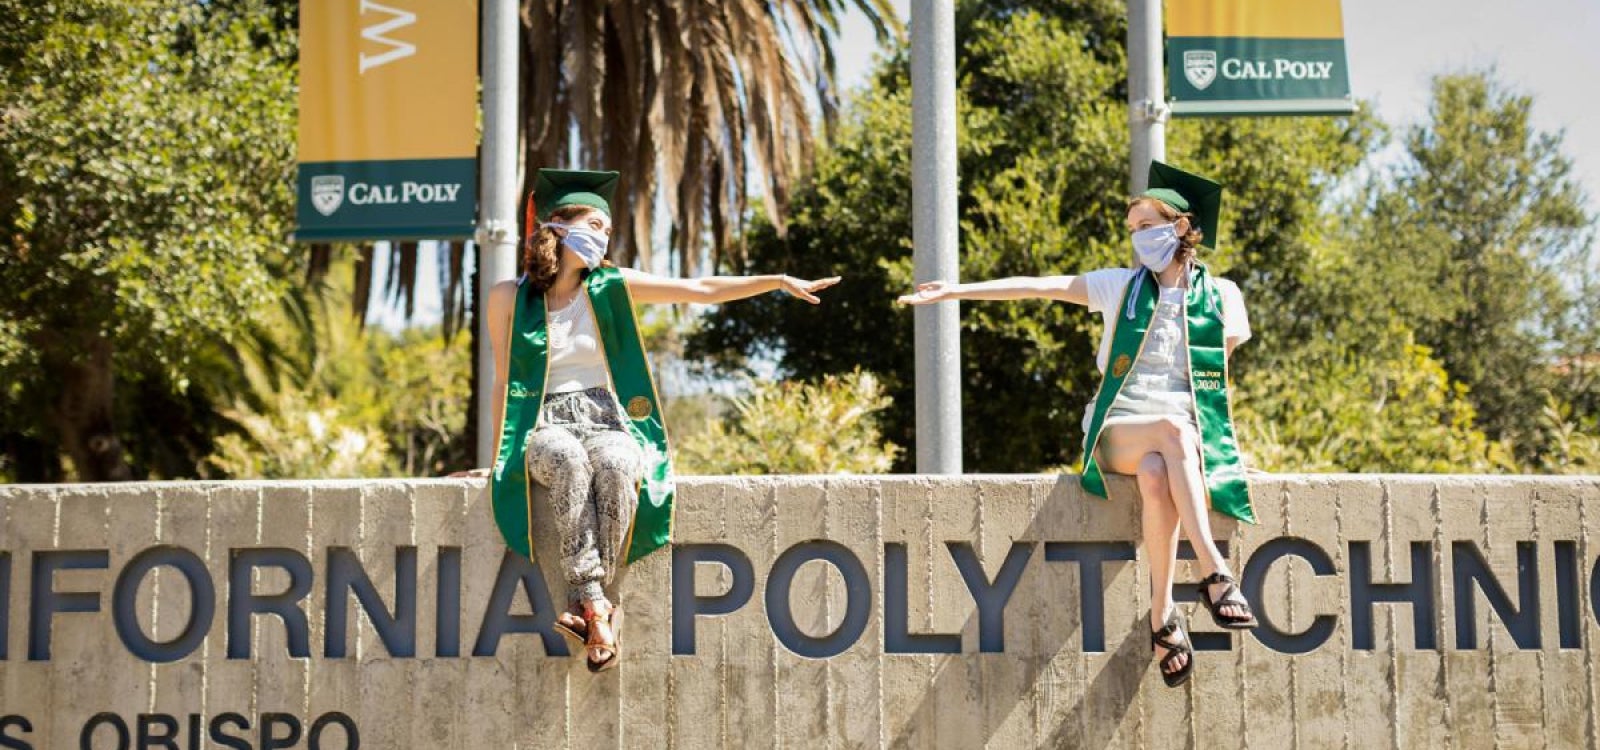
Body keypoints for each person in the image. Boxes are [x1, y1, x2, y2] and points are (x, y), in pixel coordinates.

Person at [897, 161, 1258, 687]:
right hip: (1118, 429)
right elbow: (1039, 287)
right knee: (1169, 437)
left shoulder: (1223, 297)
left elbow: (1216, 387)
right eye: (1133, 229)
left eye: (1146, 226)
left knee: (1159, 473)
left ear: (1180, 227)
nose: (1137, 239)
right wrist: (955, 291)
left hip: (1177, 445)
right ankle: (1213, 569)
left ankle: (1161, 618)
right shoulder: (1120, 288)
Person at [486, 168, 840, 672]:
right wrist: (496, 458)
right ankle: (598, 603)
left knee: (616, 464)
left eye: (607, 230)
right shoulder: (509, 297)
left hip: (606, 416)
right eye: (594, 224)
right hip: (544, 424)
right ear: (559, 227)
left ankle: (587, 606)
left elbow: (699, 288)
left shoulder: (612, 286)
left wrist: (777, 281)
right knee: (566, 460)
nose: (603, 236)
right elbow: (503, 382)